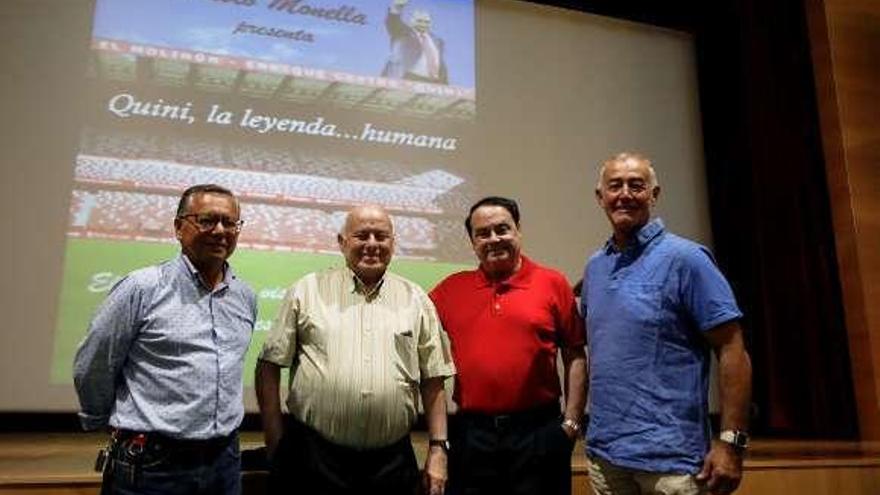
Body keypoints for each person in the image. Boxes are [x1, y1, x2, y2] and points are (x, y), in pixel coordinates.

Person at [582, 152, 753, 495]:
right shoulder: (595, 267)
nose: (625, 194)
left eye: (637, 185)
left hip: (673, 463)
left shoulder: (687, 259)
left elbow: (732, 348)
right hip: (605, 458)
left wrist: (731, 443)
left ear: (654, 195)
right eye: (615, 186)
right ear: (600, 197)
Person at [256, 204, 455, 495]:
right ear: (342, 242)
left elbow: (434, 379)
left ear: (392, 243)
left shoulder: (417, 299)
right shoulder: (307, 290)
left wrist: (438, 449)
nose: (372, 244)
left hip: (391, 462)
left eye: (381, 236)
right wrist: (275, 438)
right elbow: (269, 365)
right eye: (362, 235)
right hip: (313, 458)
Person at [73, 184, 257, 495]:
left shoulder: (245, 296)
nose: (220, 231)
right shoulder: (141, 288)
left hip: (224, 460)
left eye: (230, 223)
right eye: (207, 220)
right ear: (178, 227)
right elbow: (93, 363)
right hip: (152, 463)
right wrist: (102, 420)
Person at [430, 196, 587, 495]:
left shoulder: (552, 283)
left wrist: (571, 423)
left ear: (518, 230)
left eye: (502, 229)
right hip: (472, 435)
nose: (493, 239)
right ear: (472, 241)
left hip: (538, 431)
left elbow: (575, 354)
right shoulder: (451, 289)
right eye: (483, 233)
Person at [381, 0, 448, 84]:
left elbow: (439, 64)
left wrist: (444, 84)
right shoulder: (403, 32)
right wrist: (397, 6)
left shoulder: (437, 41)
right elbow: (393, 21)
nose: (423, 24)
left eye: (426, 22)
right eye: (419, 21)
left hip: (430, 82)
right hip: (404, 78)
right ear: (411, 21)